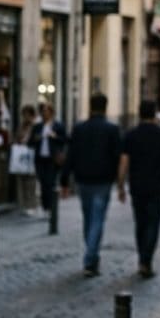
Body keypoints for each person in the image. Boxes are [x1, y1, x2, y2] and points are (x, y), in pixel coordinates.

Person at [60, 93, 122, 277]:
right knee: (97, 219)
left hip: (83, 180)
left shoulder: (80, 128)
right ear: (106, 107)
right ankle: (90, 258)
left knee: (89, 218)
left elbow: (70, 155)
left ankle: (91, 256)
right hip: (103, 180)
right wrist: (119, 182)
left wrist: (64, 180)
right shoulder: (112, 129)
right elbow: (117, 156)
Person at [118, 99, 160, 278]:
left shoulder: (131, 135)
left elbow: (124, 162)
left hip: (137, 185)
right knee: (153, 223)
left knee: (141, 223)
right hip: (158, 185)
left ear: (139, 112)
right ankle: (146, 260)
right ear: (154, 113)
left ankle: (143, 259)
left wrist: (120, 185)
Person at [28, 103, 67, 216]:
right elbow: (31, 142)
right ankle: (45, 207)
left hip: (52, 159)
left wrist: (55, 136)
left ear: (51, 113)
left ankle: (50, 207)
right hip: (40, 158)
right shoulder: (37, 127)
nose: (44, 113)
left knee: (50, 183)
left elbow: (65, 140)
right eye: (43, 111)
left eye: (46, 111)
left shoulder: (58, 126)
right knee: (42, 182)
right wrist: (36, 138)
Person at [14, 105, 39, 215]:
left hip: (31, 155)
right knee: (22, 181)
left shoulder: (36, 126)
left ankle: (31, 205)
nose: (25, 117)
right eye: (24, 115)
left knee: (31, 182)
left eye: (27, 115)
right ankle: (23, 204)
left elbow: (36, 139)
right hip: (21, 155)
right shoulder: (22, 126)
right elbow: (17, 137)